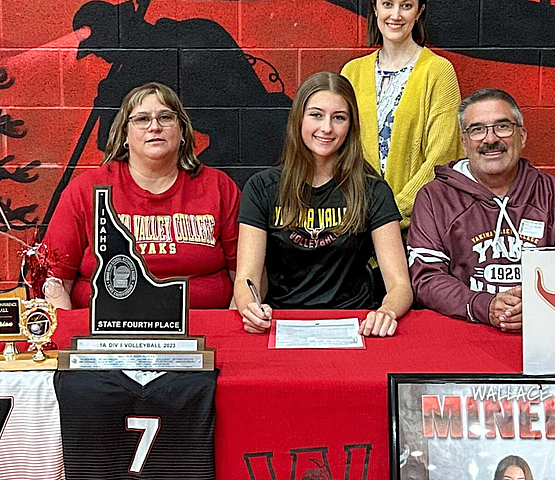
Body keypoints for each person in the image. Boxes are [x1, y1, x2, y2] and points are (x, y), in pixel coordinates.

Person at [234, 72, 412, 337]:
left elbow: (399, 284)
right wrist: (251, 308)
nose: (327, 128)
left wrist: (386, 312)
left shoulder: (373, 190)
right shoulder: (262, 187)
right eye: (316, 115)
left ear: (351, 125)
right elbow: (245, 277)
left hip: (356, 324)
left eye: (339, 117)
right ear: (299, 119)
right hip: (281, 323)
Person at [406, 88, 555, 331]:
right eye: (477, 130)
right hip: (464, 333)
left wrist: (539, 304)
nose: (490, 139)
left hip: (546, 331)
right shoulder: (435, 198)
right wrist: (484, 306)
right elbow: (427, 279)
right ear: (463, 143)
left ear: (523, 136)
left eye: (503, 127)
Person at [43, 82, 241, 309]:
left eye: (166, 117)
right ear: (125, 135)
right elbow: (54, 281)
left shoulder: (219, 187)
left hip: (203, 334)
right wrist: (66, 336)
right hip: (104, 336)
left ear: (183, 131)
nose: (154, 127)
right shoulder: (85, 190)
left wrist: (230, 332)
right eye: (142, 119)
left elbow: (248, 279)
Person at [341, 0, 463, 226]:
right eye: (388, 4)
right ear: (375, 8)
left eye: (406, 6)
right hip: (357, 223)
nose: (395, 15)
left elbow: (443, 156)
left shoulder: (438, 71)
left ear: (419, 12)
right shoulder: (352, 72)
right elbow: (341, 149)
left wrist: (391, 213)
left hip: (418, 224)